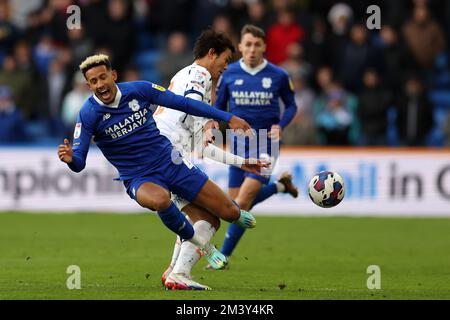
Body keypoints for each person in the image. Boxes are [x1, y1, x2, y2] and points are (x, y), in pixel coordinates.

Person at [56, 54, 257, 277]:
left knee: (229, 213)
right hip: (139, 178)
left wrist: (227, 117)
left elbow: (186, 104)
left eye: (103, 77)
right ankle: (204, 246)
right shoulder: (88, 114)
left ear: (113, 75)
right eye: (93, 81)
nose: (100, 84)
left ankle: (235, 215)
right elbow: (79, 163)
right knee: (161, 200)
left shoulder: (139, 90)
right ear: (88, 85)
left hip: (171, 162)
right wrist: (71, 159)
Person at [154, 29, 268, 290]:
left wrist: (241, 162)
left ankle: (174, 270)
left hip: (164, 154)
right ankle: (180, 273)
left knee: (202, 217)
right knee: (219, 214)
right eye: (225, 61)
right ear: (211, 54)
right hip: (167, 155)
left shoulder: (185, 76)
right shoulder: (199, 75)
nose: (225, 68)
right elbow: (192, 105)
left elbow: (202, 147)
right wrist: (228, 117)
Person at [212, 24, 299, 265]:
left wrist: (280, 125)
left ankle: (223, 257)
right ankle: (280, 187)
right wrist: (211, 128)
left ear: (264, 47)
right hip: (238, 145)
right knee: (232, 208)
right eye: (247, 44)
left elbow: (291, 105)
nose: (252, 49)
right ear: (240, 47)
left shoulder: (278, 75)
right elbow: (219, 107)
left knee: (241, 202)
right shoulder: (229, 74)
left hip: (266, 144)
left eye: (257, 45)